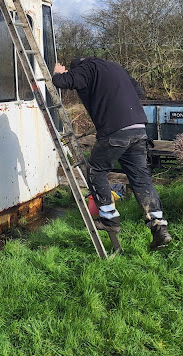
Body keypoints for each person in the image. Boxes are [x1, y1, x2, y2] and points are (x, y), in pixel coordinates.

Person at [52, 56, 171, 250]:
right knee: (141, 179)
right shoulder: (116, 68)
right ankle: (159, 226)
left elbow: (61, 82)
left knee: (95, 171)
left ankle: (109, 219)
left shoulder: (87, 68)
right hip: (138, 128)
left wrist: (59, 72)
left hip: (115, 131)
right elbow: (138, 90)